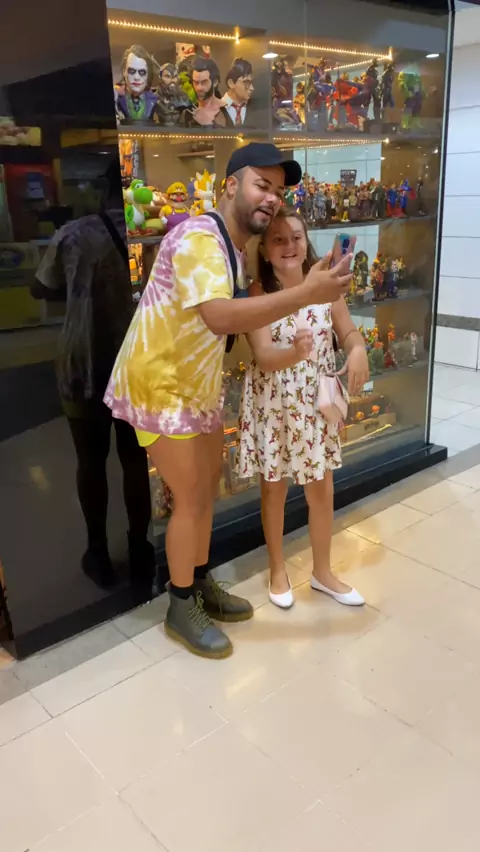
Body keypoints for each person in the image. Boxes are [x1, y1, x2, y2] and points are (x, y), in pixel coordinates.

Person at [104, 142, 354, 659]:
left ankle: (197, 583)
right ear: (230, 185)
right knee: (191, 496)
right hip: (159, 387)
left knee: (206, 491)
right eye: (262, 185)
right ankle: (180, 604)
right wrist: (305, 294)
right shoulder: (199, 236)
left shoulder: (232, 248)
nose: (271, 197)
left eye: (278, 190)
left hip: (196, 387)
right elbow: (218, 316)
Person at [237, 207, 369, 609]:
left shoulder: (325, 286)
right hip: (275, 404)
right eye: (278, 239)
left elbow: (347, 330)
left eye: (295, 236)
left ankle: (322, 571)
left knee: (322, 490)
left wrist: (358, 348)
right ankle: (277, 568)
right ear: (265, 249)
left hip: (314, 405)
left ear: (306, 240)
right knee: (274, 488)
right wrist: (294, 353)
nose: (289, 245)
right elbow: (263, 355)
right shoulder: (258, 294)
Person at [33, 158, 154, 589]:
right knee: (135, 459)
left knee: (90, 460)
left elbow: (40, 287)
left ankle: (98, 553)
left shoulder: (72, 234)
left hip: (82, 361)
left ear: (102, 192)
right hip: (134, 363)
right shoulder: (148, 235)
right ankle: (140, 547)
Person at [223, 58, 254, 126]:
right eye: (246, 82)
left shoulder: (255, 109)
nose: (252, 88)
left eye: (251, 83)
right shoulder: (216, 109)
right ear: (231, 83)